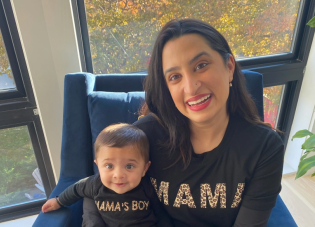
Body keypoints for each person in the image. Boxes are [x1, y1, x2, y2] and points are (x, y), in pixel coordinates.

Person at [83, 19, 285, 227]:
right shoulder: (147, 135)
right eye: (175, 76)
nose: (190, 87)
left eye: (201, 65)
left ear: (229, 67)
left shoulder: (264, 147)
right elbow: (96, 186)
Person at [41, 123, 173, 227]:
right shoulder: (94, 184)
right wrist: (59, 201)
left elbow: (161, 215)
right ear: (98, 165)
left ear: (145, 168)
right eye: (109, 166)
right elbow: (76, 189)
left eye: (129, 166)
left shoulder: (147, 186)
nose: (118, 175)